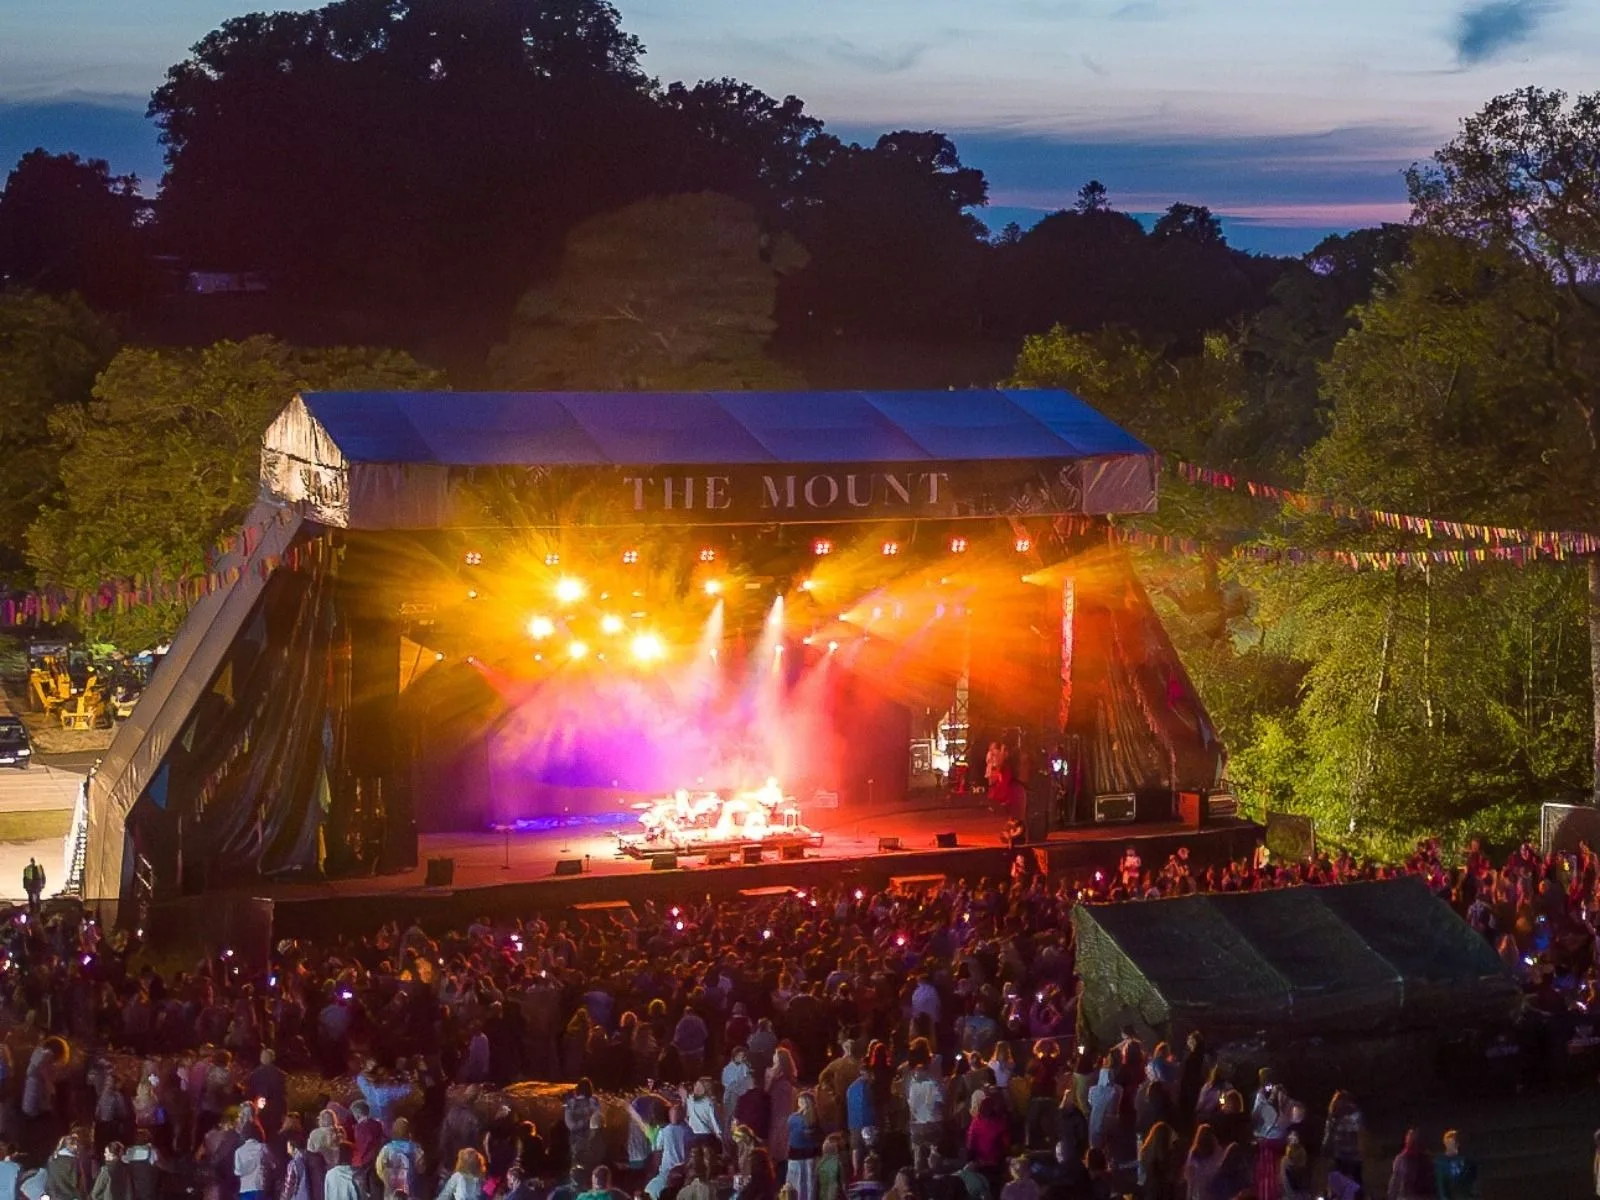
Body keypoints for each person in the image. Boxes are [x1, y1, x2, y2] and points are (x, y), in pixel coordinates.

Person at [785, 1093, 822, 1200]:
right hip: (796, 1152)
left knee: (808, 1180)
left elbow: (813, 1134)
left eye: (802, 1101)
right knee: (798, 1180)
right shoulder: (794, 1117)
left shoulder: (813, 1118)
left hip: (809, 1152)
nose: (799, 1103)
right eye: (799, 1101)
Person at [1386, 1129, 1433, 1200]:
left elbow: (1395, 1181)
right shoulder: (1402, 1158)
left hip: (1410, 1195)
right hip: (1411, 1195)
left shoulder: (1402, 1158)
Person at [1434, 1130, 1477, 1200]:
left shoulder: (1465, 1160)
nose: (1451, 1147)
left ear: (1457, 1144)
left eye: (1453, 1144)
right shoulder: (1441, 1162)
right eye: (1448, 1144)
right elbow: (1440, 1183)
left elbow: (1470, 1181)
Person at [235, 1123, 271, 1200]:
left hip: (245, 1189)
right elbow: (273, 1164)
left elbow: (238, 1172)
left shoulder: (238, 1151)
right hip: (261, 1187)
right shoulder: (263, 1147)